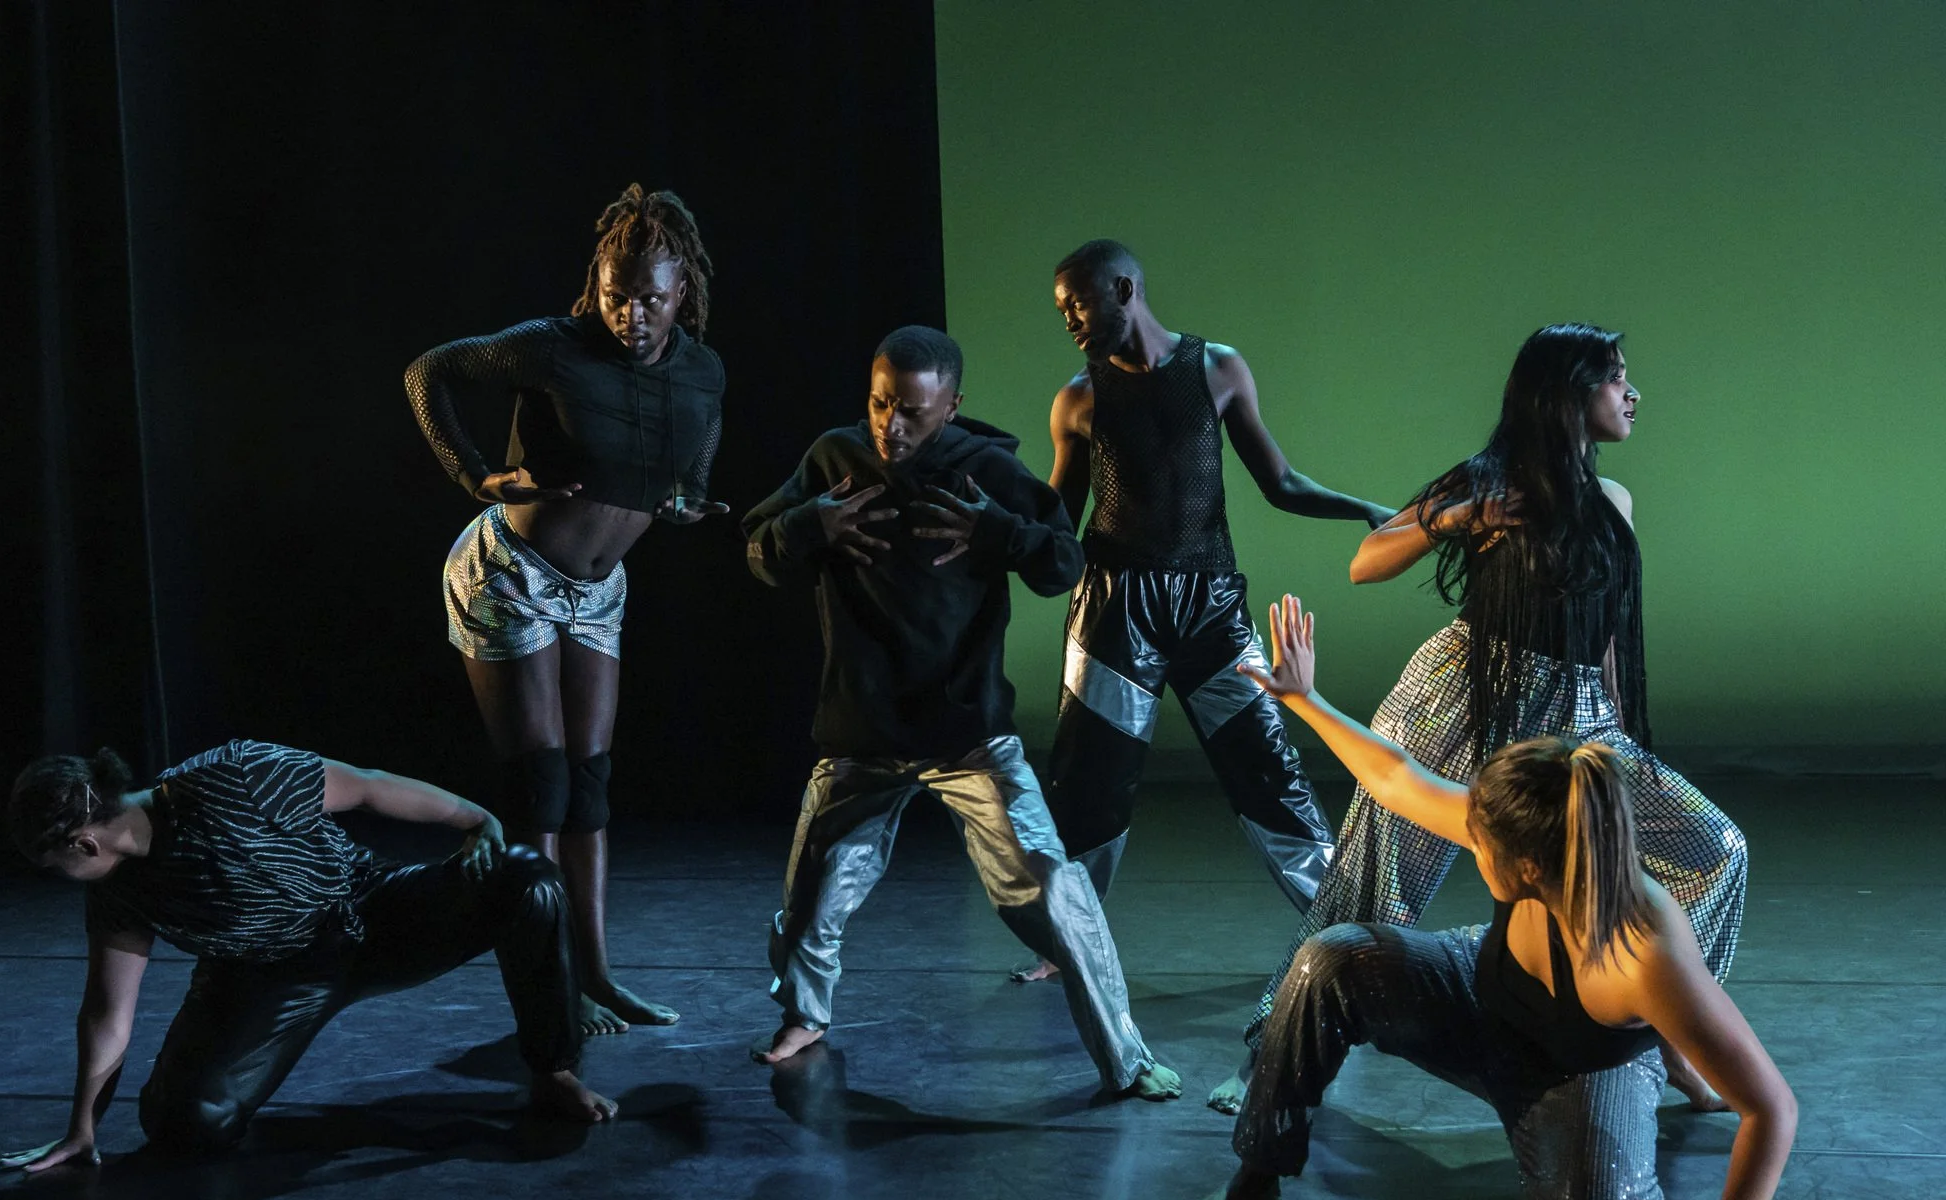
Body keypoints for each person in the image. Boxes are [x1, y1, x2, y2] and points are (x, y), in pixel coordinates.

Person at [1167, 597, 1795, 1200]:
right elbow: (1396, 776)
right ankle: (1254, 1184)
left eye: (1484, 844)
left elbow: (1772, 1109)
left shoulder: (1642, 949)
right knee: (1330, 958)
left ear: (1527, 866)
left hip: (1580, 1071)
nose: (1472, 845)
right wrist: (1305, 699)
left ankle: (1650, 1077)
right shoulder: (1543, 837)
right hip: (1486, 994)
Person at [1214, 324, 1747, 1114]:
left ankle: (1667, 1036)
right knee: (1374, 884)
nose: (1632, 394)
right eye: (1615, 378)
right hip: (1467, 691)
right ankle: (1272, 1054)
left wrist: (1619, 734)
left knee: (1717, 852)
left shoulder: (1615, 502)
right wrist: (1465, 515)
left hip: (1579, 714)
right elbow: (1367, 561)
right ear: (1567, 392)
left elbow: (1605, 635)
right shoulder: (1491, 481)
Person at [740, 325, 1180, 1100]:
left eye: (912, 411)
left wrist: (996, 532)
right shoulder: (835, 459)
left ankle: (1128, 1057)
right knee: (810, 898)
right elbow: (758, 550)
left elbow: (1063, 561)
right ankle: (804, 1015)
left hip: (969, 733)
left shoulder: (985, 468)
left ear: (951, 406)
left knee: (1052, 888)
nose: (891, 425)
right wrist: (812, 525)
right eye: (880, 404)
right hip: (863, 733)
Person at [1019, 239, 1394, 983]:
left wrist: (1366, 509)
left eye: (1079, 304)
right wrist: (993, 533)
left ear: (1124, 290)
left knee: (1268, 765)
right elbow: (1055, 524)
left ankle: (1346, 929)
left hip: (1210, 605)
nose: (1070, 321)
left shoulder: (1217, 368)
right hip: (1116, 607)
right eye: (1062, 311)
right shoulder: (1079, 399)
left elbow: (1280, 482)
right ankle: (1064, 943)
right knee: (1089, 781)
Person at [403, 183, 726, 1033]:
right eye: (617, 296)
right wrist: (477, 475)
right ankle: (549, 984)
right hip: (511, 573)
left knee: (589, 785)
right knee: (541, 786)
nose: (630, 315)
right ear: (598, 286)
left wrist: (688, 494)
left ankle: (599, 975)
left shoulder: (701, 370)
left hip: (596, 593)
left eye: (649, 299)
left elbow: (701, 430)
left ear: (682, 293)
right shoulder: (555, 347)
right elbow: (428, 373)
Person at [0, 740, 612, 1173]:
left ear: (84, 843)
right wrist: (82, 1128)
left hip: (369, 912)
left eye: (58, 867)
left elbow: (367, 787)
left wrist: (476, 820)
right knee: (184, 1125)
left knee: (528, 881)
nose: (65, 879)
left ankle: (554, 1071)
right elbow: (108, 1013)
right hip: (265, 973)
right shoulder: (118, 893)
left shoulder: (234, 775)